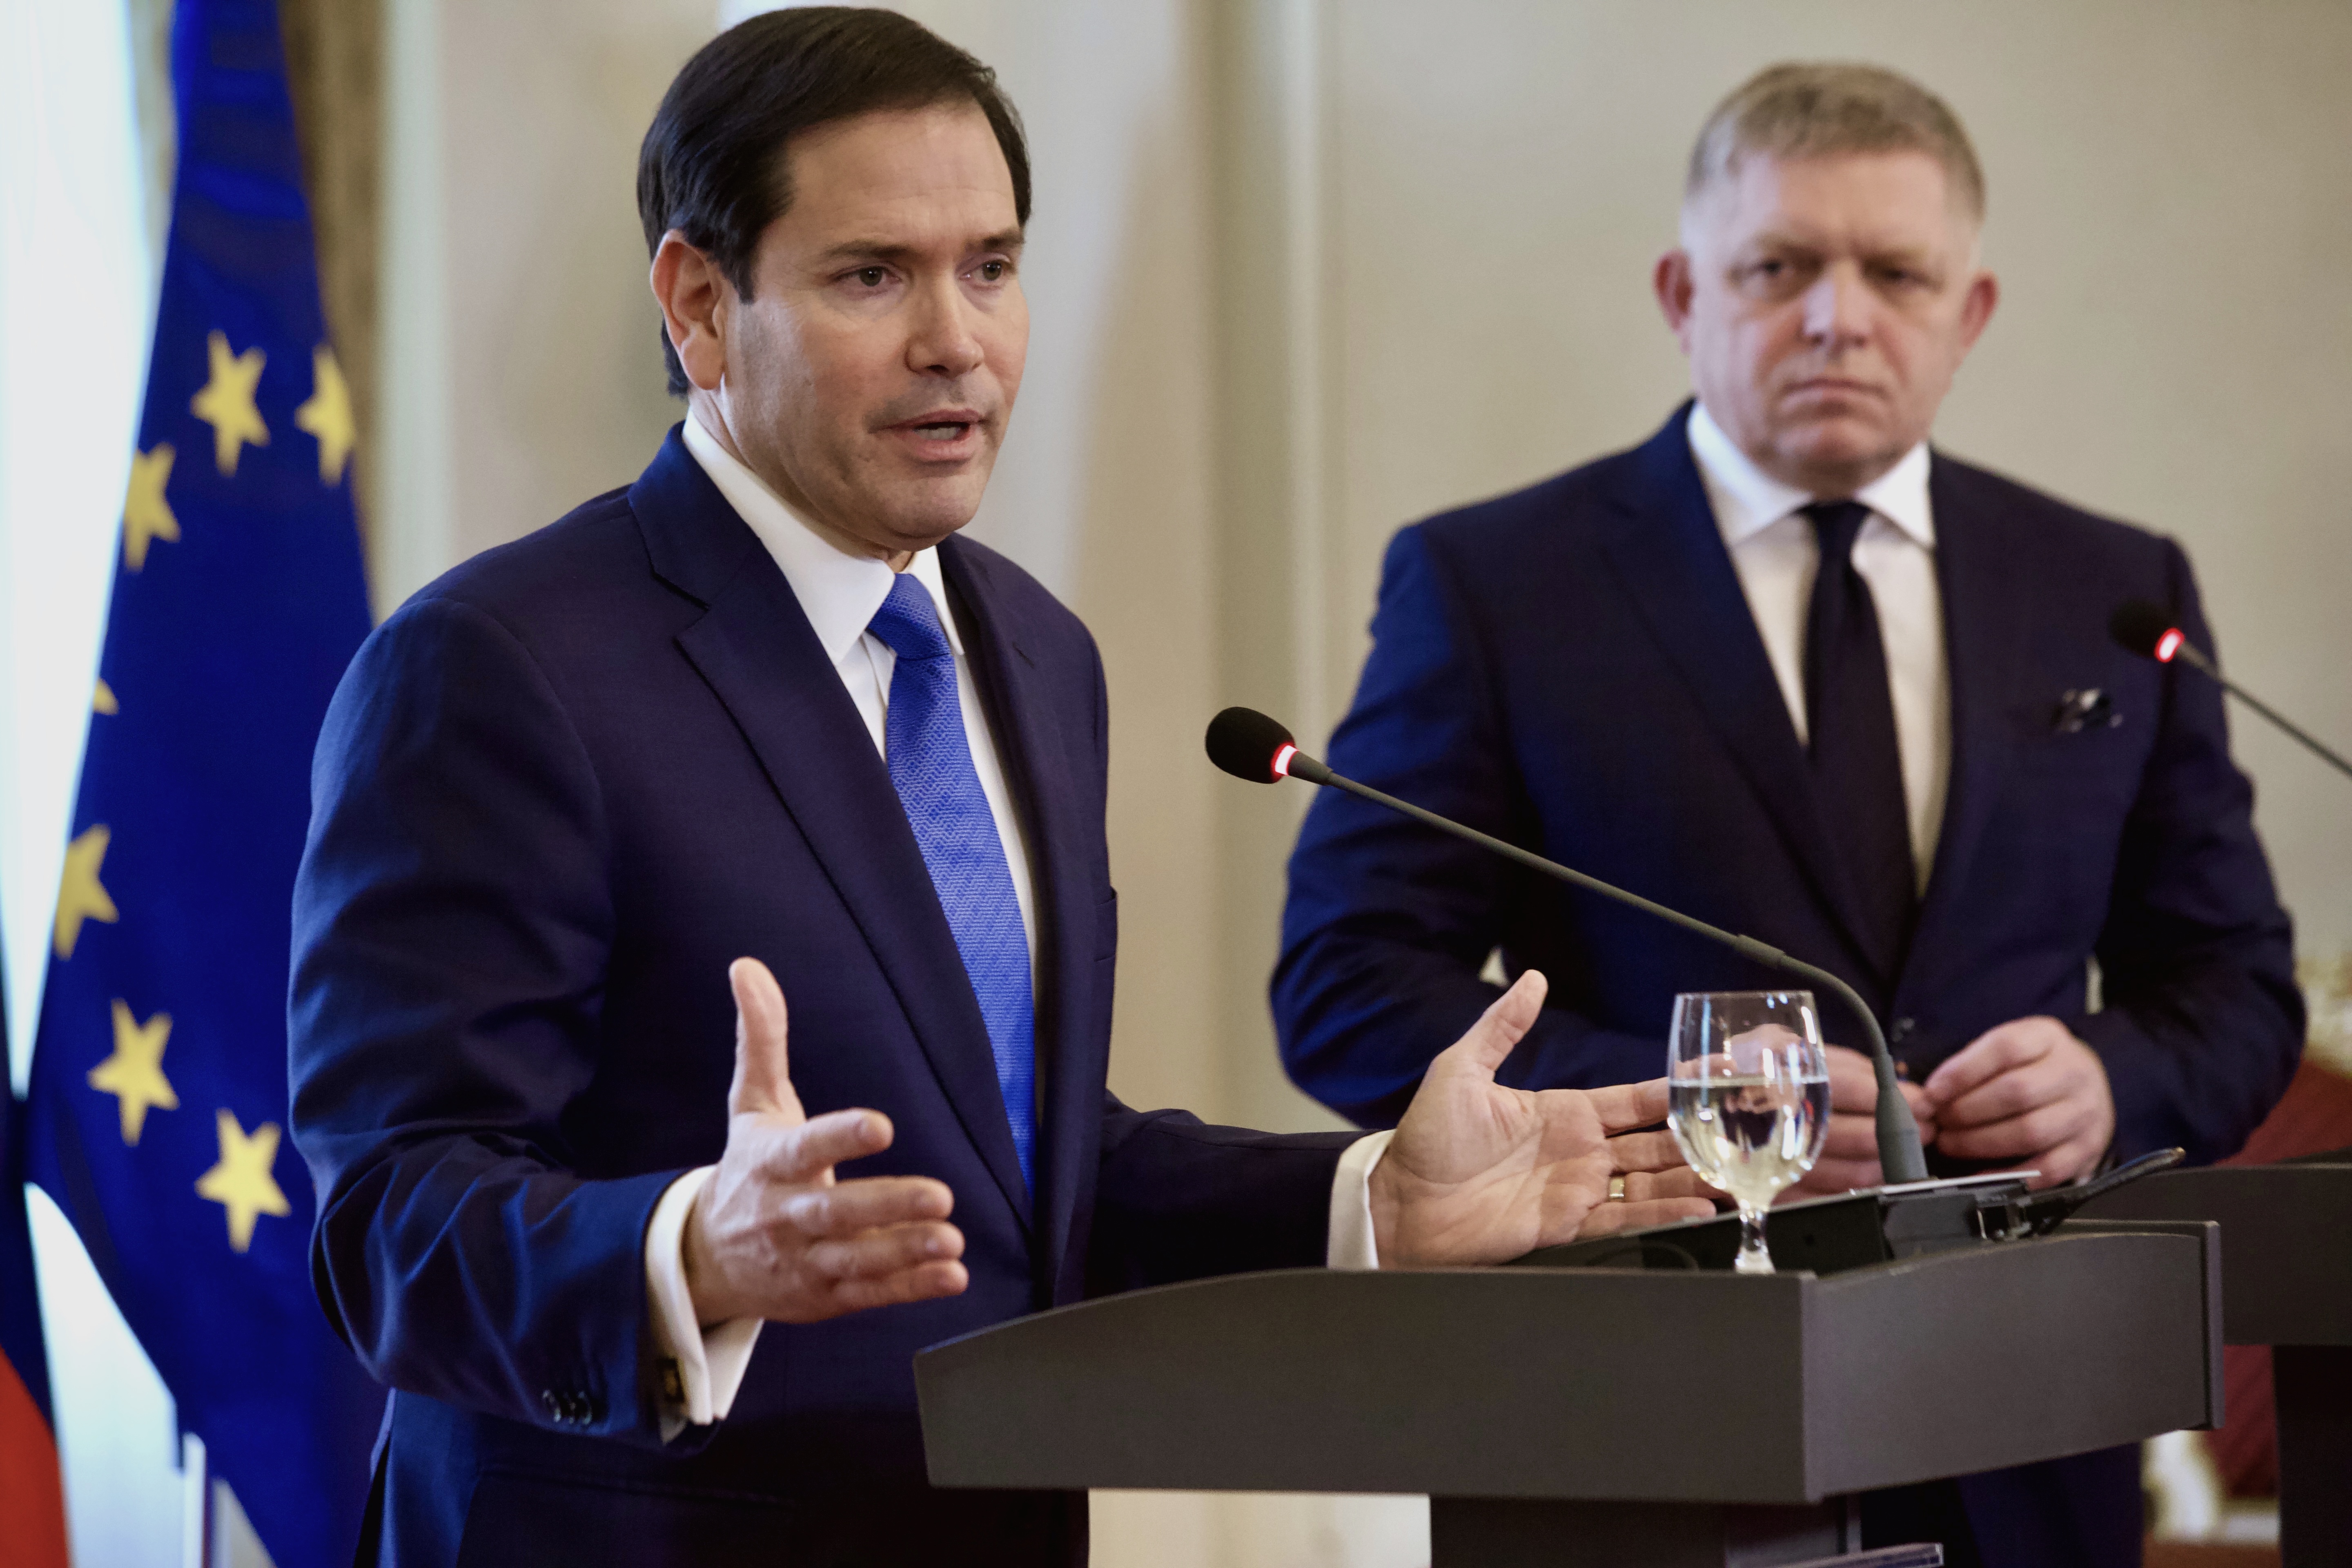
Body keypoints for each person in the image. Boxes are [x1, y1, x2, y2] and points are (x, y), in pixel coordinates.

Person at [286, 11, 1711, 1566]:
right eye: (871, 275)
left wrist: (1371, 1202)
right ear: (701, 305)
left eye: (992, 265)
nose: (956, 339)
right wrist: (694, 1244)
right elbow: (393, 1223)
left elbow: (1027, 1161)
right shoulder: (498, 667)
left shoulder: (1031, 649)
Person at [1272, 61, 2302, 1568]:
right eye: (1779, 269)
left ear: (1972, 312)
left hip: (2025, 1420)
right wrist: (1682, 1109)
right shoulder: (1498, 584)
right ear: (1687, 292)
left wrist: (2111, 1078)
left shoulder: (2110, 589)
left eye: (1894, 272)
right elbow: (1348, 985)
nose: (1837, 315)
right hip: (1637, 1417)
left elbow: (2235, 985)